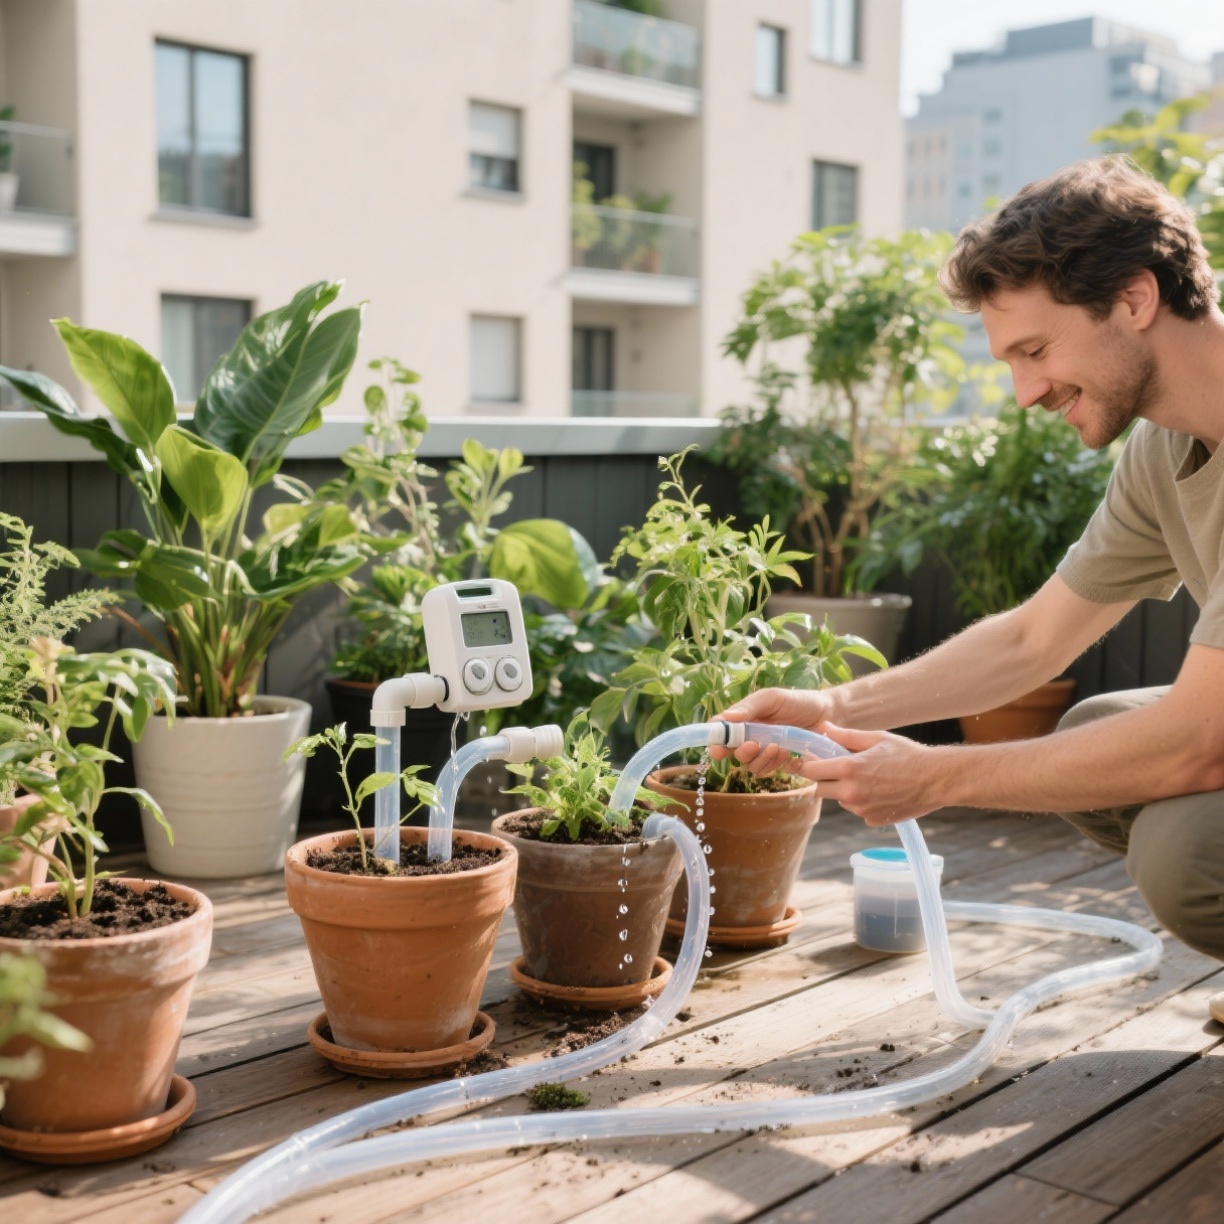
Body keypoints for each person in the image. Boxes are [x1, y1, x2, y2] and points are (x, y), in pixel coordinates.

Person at [717, 156, 1224, 1019]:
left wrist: (939, 778)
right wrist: (837, 704)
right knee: (1101, 733)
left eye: (1037, 349)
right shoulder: (1163, 449)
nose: (1026, 391)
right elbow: (1034, 640)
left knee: (1188, 851)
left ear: (1135, 300)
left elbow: (1196, 745)